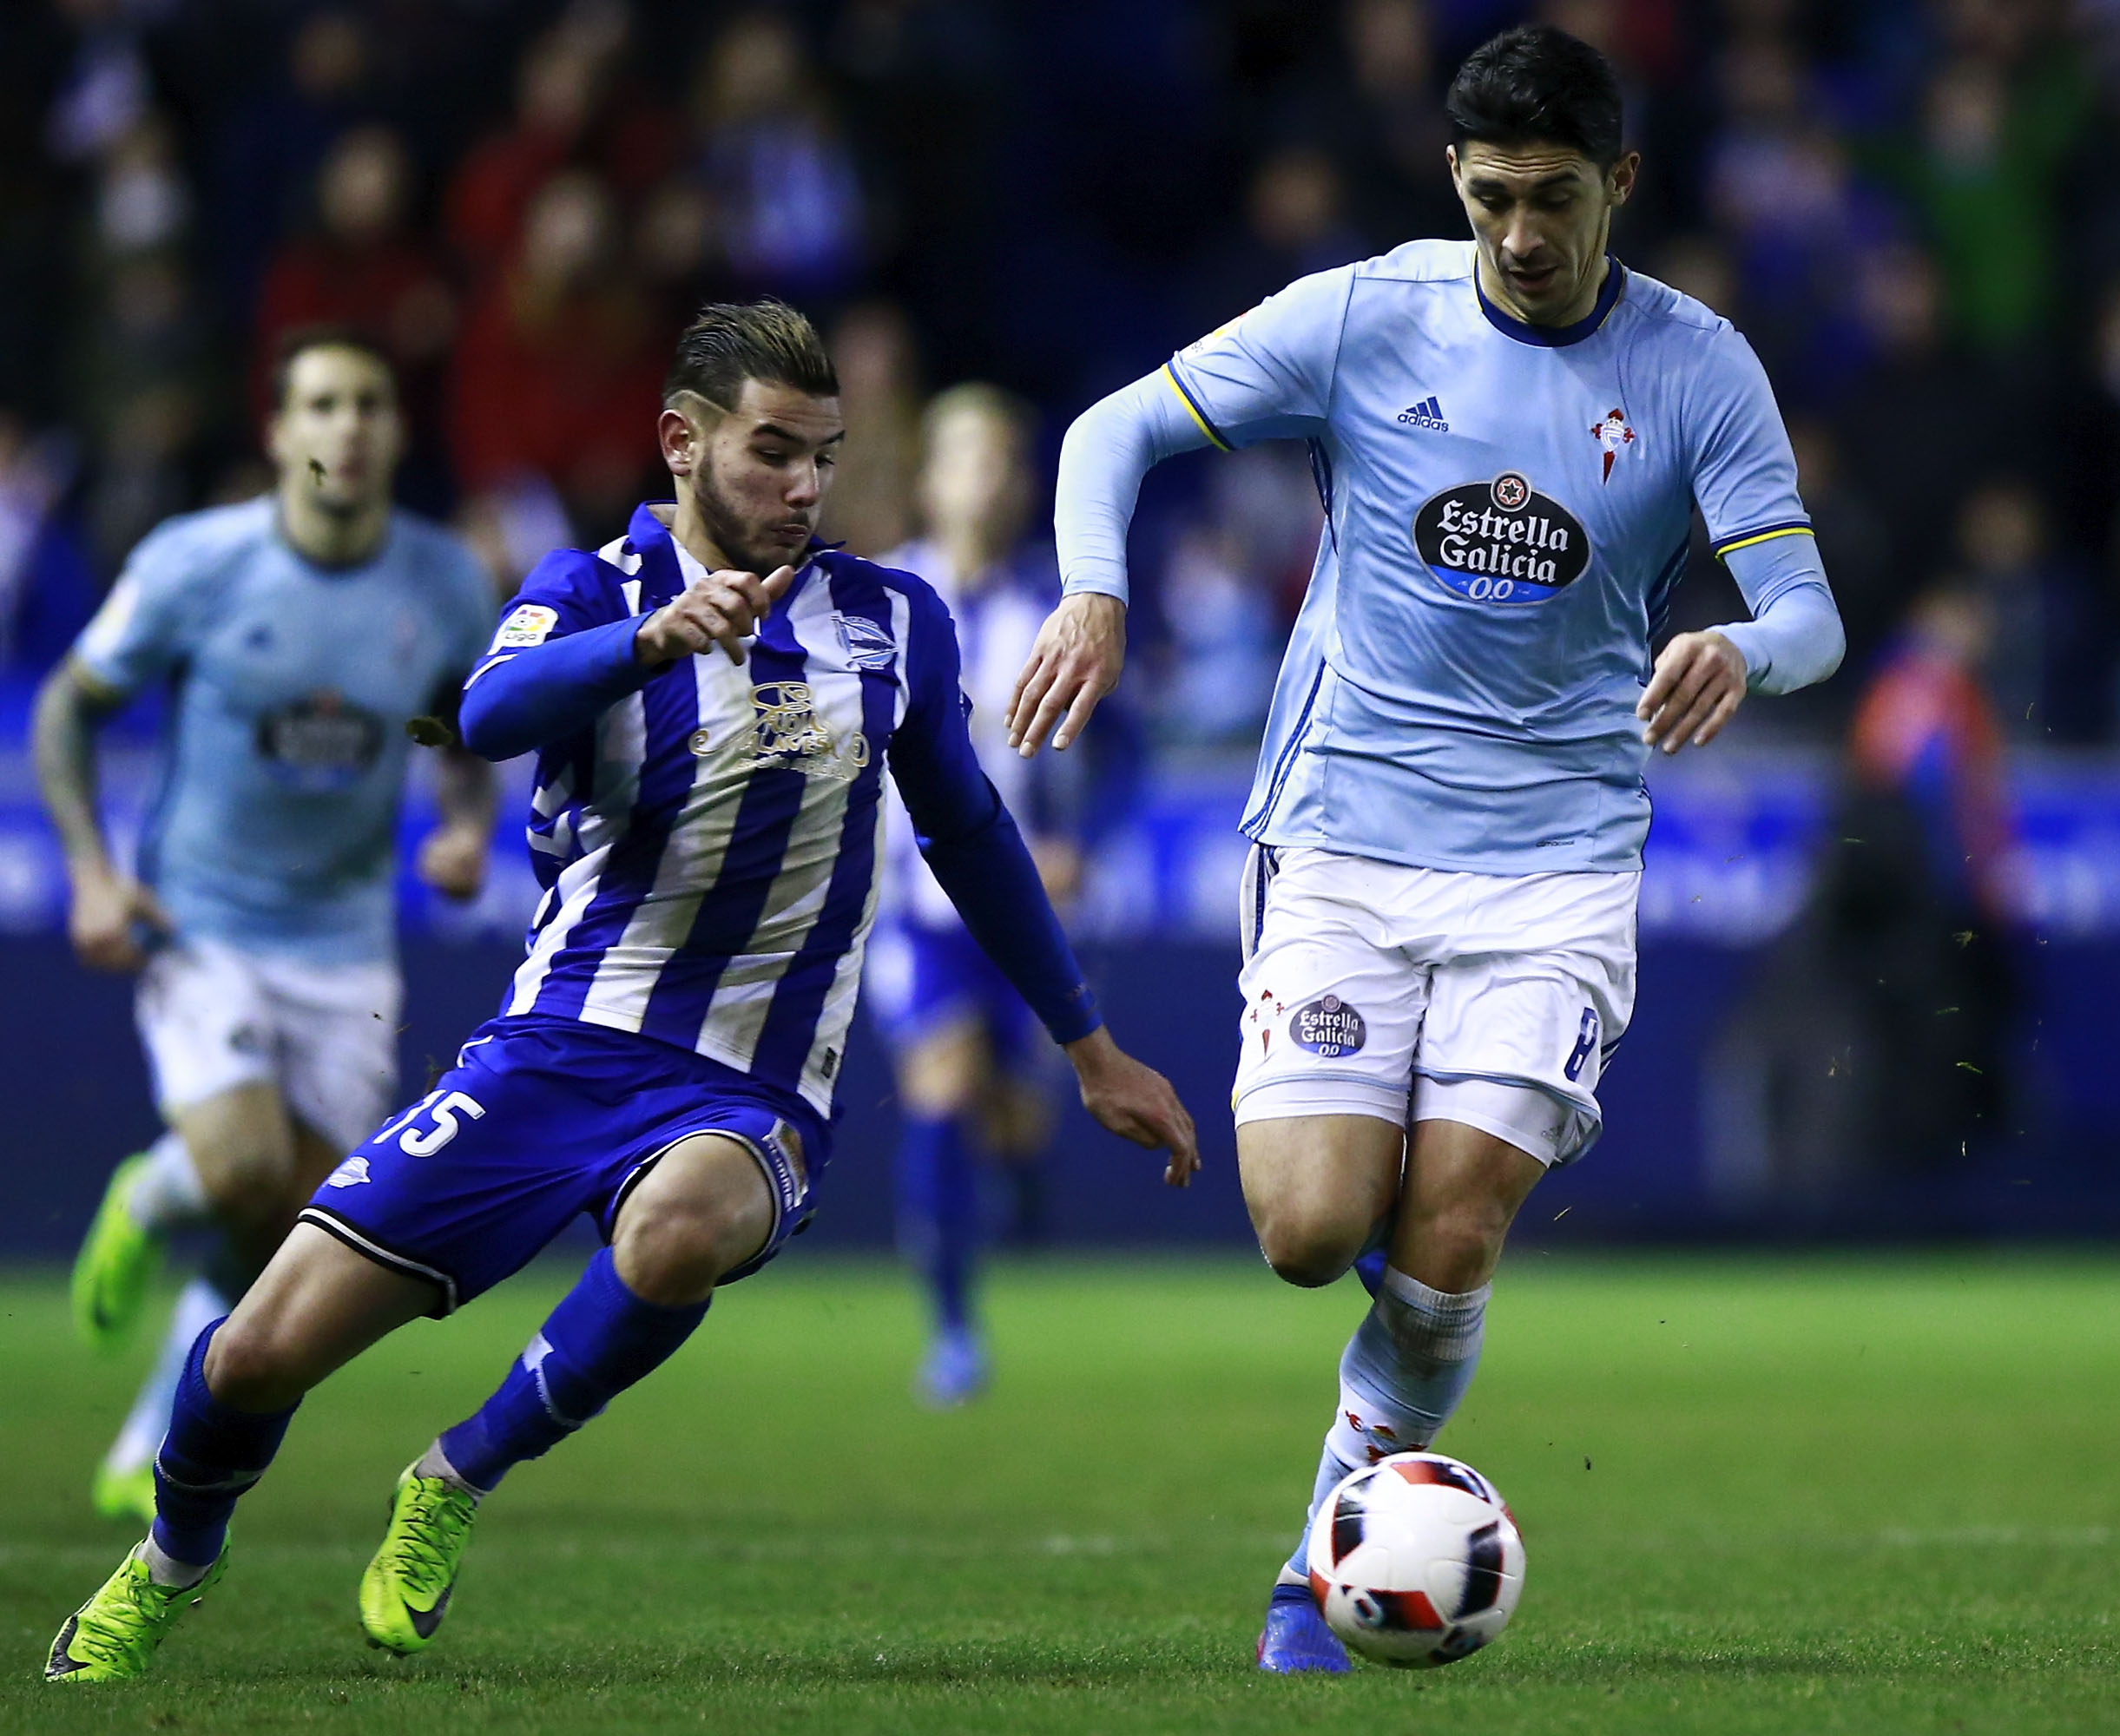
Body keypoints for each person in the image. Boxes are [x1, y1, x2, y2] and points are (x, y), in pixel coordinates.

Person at [44, 300, 1198, 1684]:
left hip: (752, 1082)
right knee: (256, 1355)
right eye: (773, 452)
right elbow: (483, 713)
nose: (805, 487)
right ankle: (168, 1562)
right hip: (556, 1051)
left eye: (824, 457)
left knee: (678, 1231)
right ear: (681, 444)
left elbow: (968, 833)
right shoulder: (590, 590)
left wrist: (1090, 1046)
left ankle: (456, 1477)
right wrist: (652, 648)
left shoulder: (894, 621)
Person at [1009, 26, 1843, 1673]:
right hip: (1341, 836)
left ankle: (1326, 1541)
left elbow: (1811, 606)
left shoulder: (1698, 368)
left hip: (1558, 863)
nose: (1519, 236)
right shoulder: (1365, 316)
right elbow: (1108, 431)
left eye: (1549, 198)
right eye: (1487, 200)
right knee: (1314, 1232)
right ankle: (1382, 1439)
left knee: (1450, 1231)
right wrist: (1096, 586)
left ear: (1619, 181)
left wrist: (1744, 650)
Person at [37, 329, 497, 1528]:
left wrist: (458, 824)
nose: (347, 426)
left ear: (397, 431)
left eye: (370, 404)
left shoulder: (448, 582)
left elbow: (458, 734)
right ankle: (153, 1192)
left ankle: (152, 1426)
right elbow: (67, 709)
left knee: (290, 1228)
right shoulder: (196, 563)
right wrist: (91, 872)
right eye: (323, 405)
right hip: (204, 918)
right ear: (282, 431)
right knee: (239, 1168)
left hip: (348, 946)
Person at [865, 384, 1082, 1406]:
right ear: (928, 477)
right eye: (963, 458)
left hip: (1018, 913)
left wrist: (1078, 839)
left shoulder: (1055, 602)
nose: (982, 480)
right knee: (941, 1092)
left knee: (1010, 1123)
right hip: (912, 912)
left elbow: (1113, 747)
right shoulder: (881, 597)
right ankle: (952, 1333)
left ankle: (1015, 1173)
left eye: (999, 460)